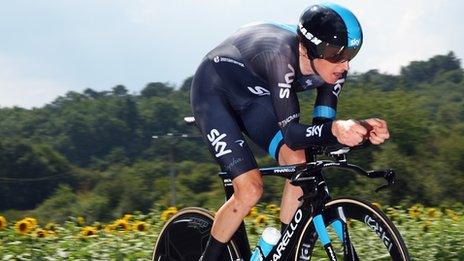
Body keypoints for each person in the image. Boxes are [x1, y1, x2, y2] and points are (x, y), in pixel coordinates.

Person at [190, 3, 390, 260]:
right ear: (309, 49)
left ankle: (285, 253)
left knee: (300, 162)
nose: (345, 65)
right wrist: (337, 129)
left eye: (351, 54)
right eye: (336, 55)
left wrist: (360, 133)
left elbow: (320, 134)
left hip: (255, 98)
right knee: (250, 189)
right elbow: (294, 135)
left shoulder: (334, 70)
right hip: (213, 92)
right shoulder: (280, 56)